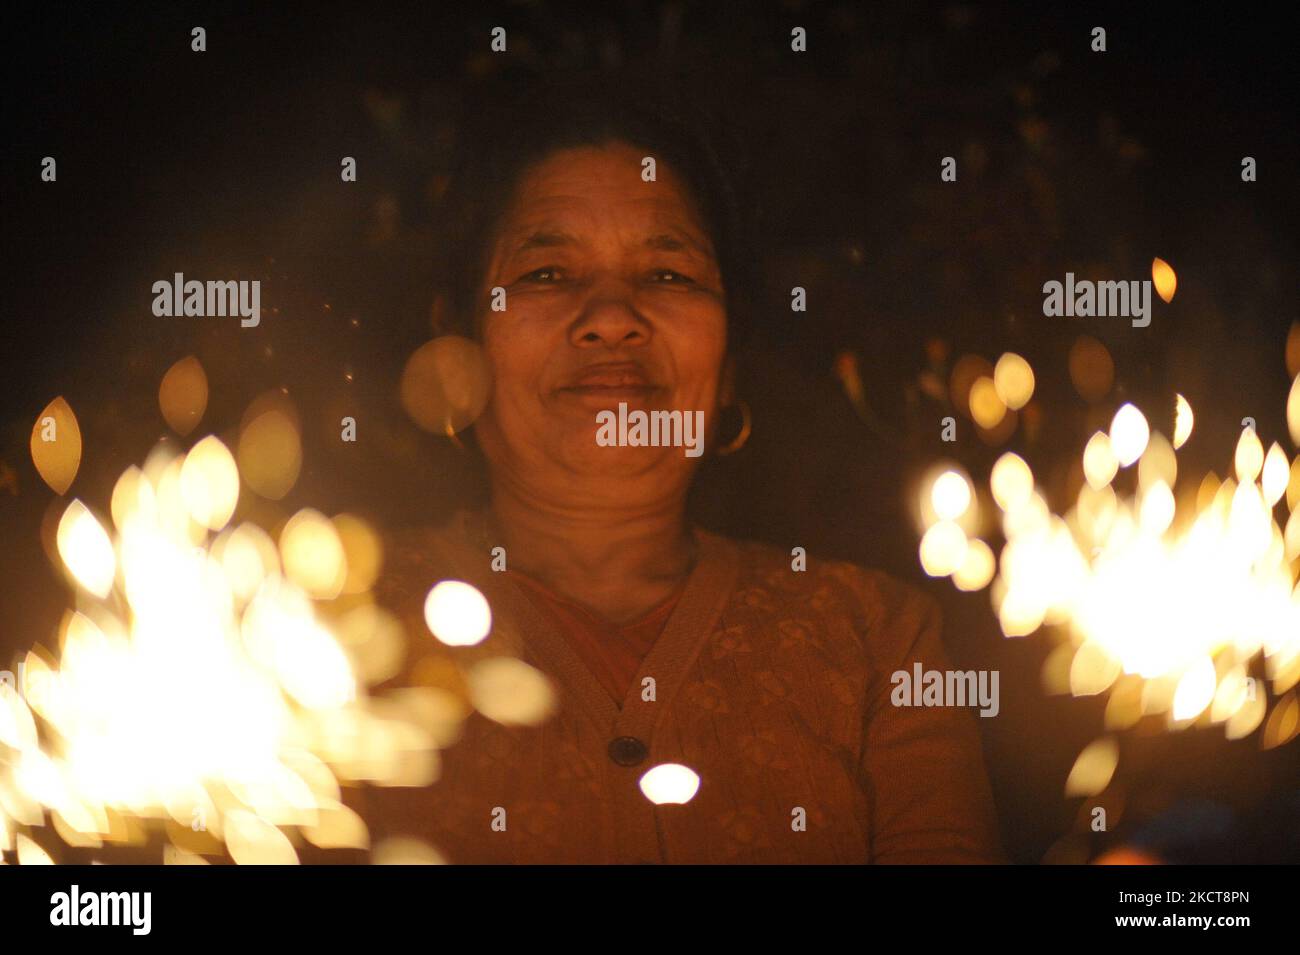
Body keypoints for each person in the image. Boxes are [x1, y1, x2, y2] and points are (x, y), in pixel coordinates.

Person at [360, 75, 1003, 863]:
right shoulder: (329, 632)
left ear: (730, 363)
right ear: (458, 348)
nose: (611, 318)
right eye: (546, 274)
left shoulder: (878, 641)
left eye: (668, 275)